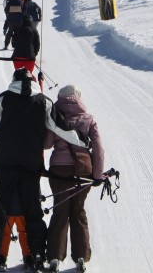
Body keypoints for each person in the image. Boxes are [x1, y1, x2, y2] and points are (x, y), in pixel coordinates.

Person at [0, 68, 89, 272]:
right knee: (33, 210)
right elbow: (60, 127)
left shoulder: (3, 99)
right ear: (33, 81)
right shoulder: (43, 102)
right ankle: (37, 254)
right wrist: (82, 140)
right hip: (31, 166)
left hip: (4, 165)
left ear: (14, 80)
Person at [43, 85, 106, 273]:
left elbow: (47, 144)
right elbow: (99, 149)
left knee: (60, 210)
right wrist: (98, 176)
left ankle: (54, 257)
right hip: (83, 170)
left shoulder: (55, 117)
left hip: (59, 170)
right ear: (78, 98)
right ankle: (81, 257)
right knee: (78, 211)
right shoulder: (89, 119)